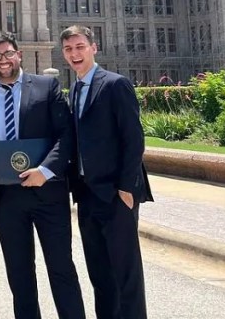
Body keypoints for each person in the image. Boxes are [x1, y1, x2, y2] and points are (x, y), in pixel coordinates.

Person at [0, 32, 85, 319]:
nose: (3, 60)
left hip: (48, 193)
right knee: (19, 275)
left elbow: (65, 135)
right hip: (7, 198)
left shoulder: (46, 86)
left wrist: (45, 171)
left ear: (18, 54)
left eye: (8, 53)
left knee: (61, 269)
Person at [61, 25, 153, 319]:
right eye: (68, 49)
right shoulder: (75, 87)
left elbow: (133, 138)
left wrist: (126, 189)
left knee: (126, 274)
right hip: (87, 194)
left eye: (79, 47)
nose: (74, 54)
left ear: (93, 48)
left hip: (116, 194)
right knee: (100, 274)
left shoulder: (115, 84)